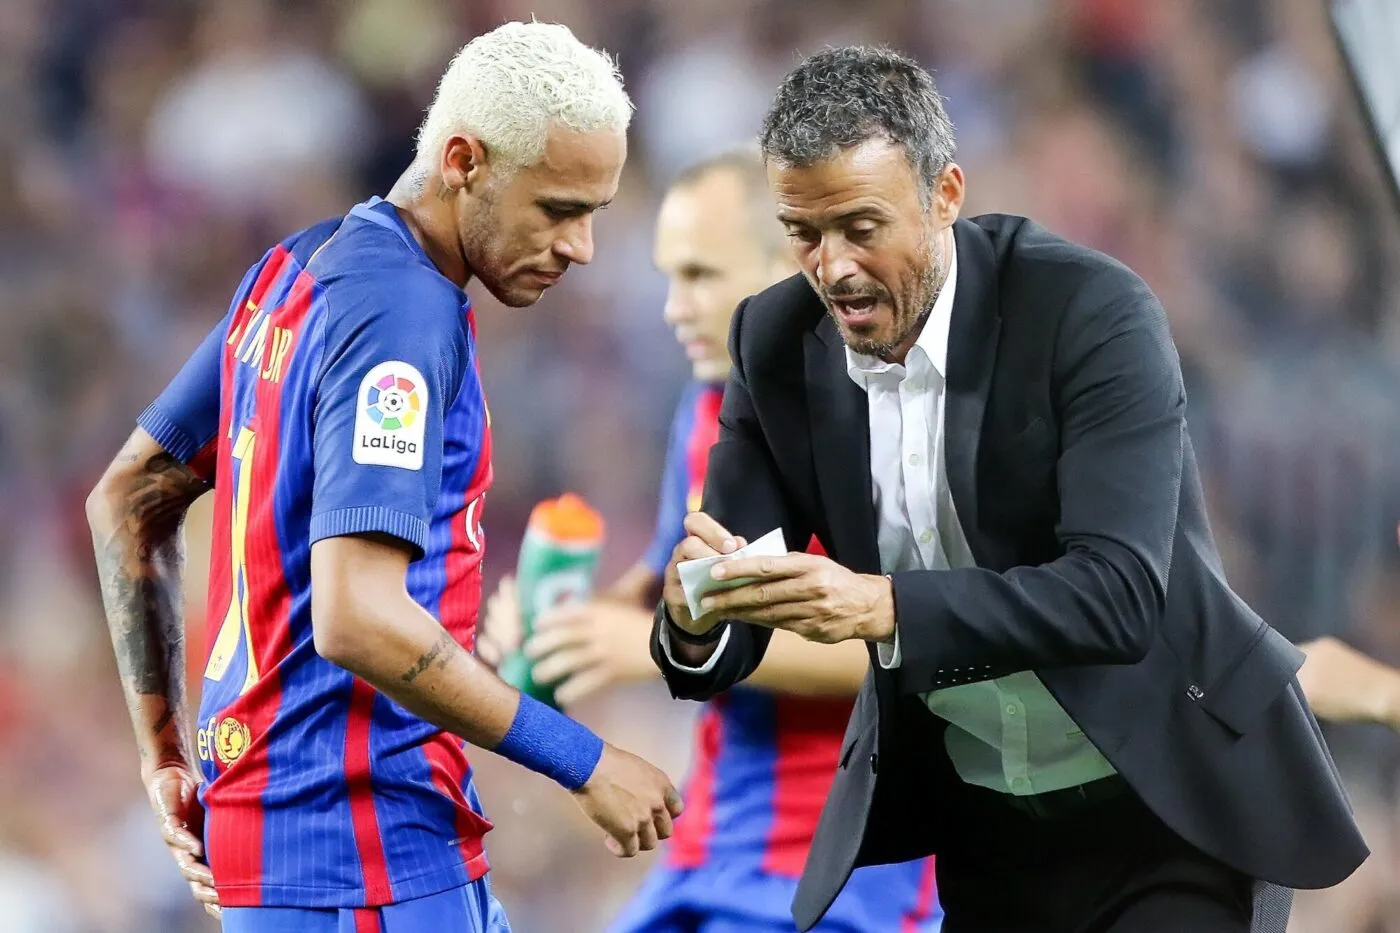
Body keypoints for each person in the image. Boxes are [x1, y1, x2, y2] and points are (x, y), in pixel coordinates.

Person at [649, 45, 1368, 933]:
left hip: (1164, 806)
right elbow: (728, 599)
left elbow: (1118, 596)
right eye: (803, 231)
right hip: (985, 833)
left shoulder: (1090, 311)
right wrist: (695, 616)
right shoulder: (773, 341)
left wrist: (885, 606)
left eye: (862, 227)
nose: (831, 267)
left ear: (945, 195)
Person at [85, 22, 683, 933]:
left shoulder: (296, 269)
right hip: (362, 852)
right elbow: (356, 614)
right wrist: (582, 758)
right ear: (463, 161)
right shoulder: (402, 313)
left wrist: (165, 754)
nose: (582, 245)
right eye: (559, 209)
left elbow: (127, 497)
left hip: (298, 844)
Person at [479, 149, 941, 932]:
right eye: (668, 275)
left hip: (843, 875)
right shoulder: (705, 411)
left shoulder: (887, 422)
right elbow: (664, 587)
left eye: (699, 275)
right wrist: (559, 625)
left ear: (792, 268)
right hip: (713, 851)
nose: (672, 307)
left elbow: (913, 652)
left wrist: (646, 644)